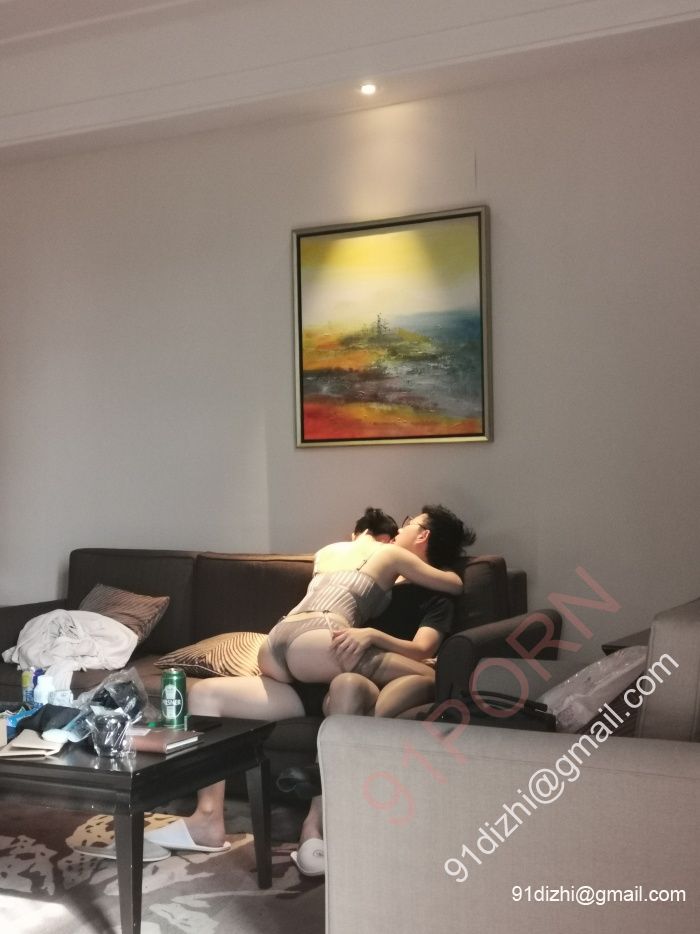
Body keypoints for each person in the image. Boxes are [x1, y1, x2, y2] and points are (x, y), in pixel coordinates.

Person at [257, 506, 466, 689]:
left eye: (409, 523)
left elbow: (422, 647)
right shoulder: (389, 555)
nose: (400, 530)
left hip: (272, 644)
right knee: (433, 677)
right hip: (321, 637)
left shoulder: (325, 551)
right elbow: (455, 584)